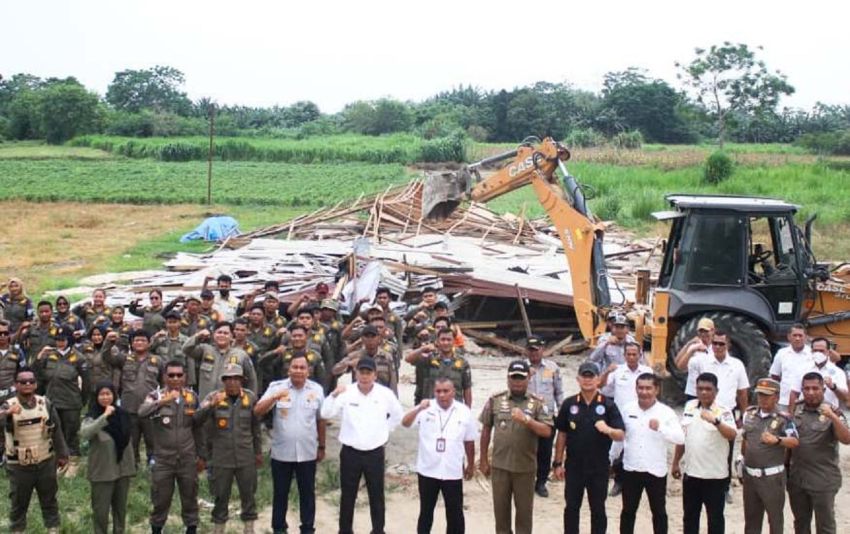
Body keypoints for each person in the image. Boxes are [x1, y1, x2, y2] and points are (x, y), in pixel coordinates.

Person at [321, 356, 403, 534]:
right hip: (351, 453)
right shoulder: (346, 392)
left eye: (369, 373)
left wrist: (385, 431)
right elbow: (326, 412)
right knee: (348, 496)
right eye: (361, 372)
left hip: (374, 453)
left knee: (377, 495)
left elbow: (398, 415)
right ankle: (345, 530)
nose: (365, 376)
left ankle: (378, 530)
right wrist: (334, 394)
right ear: (356, 373)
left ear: (375, 375)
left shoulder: (385, 394)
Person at [479, 360, 553, 534]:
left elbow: (547, 431)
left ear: (528, 379)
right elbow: (486, 429)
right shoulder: (495, 400)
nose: (517, 382)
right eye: (514, 378)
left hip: (525, 468)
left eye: (521, 378)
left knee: (524, 515)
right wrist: (483, 460)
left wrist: (527, 420)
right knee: (501, 514)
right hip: (500, 467)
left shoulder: (537, 403)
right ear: (507, 379)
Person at [255, 354, 326, 534]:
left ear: (308, 371)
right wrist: (274, 398)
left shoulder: (316, 390)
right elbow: (257, 411)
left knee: (307, 494)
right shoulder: (276, 387)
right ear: (289, 370)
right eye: (295, 367)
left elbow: (321, 420)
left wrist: (322, 446)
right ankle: (279, 528)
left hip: (307, 452)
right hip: (282, 453)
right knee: (280, 493)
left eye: (302, 368)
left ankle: (308, 528)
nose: (298, 371)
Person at [552, 362, 625, 534]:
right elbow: (562, 434)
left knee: (598, 509)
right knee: (571, 508)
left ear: (598, 379)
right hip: (574, 466)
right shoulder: (569, 404)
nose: (587, 380)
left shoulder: (608, 405)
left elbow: (621, 434)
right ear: (578, 379)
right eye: (584, 376)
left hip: (598, 466)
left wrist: (607, 429)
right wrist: (557, 463)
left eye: (591, 376)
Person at [402, 376, 477, 534]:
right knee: (426, 512)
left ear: (453, 392)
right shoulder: (426, 408)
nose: (442, 395)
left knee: (455, 514)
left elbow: (469, 441)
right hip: (428, 470)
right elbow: (405, 423)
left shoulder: (464, 411)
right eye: (438, 391)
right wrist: (418, 408)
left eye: (446, 391)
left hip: (452, 471)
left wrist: (470, 464)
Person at [0, 368, 68, 534]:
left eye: (31, 381)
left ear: (36, 384)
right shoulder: (7, 405)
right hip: (19, 465)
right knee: (19, 503)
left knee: (49, 499)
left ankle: (53, 528)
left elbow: (57, 429)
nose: (27, 384)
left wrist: (63, 454)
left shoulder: (44, 403)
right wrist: (7, 414)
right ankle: (17, 529)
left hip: (45, 461)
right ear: (16, 385)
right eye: (23, 382)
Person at [139, 360, 204, 534]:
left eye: (179, 375)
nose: (175, 378)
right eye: (171, 375)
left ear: (185, 377)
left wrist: (201, 455)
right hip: (163, 459)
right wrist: (162, 402)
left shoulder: (192, 397)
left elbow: (197, 427)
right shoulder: (156, 395)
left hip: (187, 458)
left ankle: (191, 529)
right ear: (164, 377)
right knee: (161, 499)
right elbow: (142, 412)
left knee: (190, 497)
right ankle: (157, 529)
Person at [197, 364, 261, 534]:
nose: (232, 382)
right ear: (223, 380)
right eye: (228, 379)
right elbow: (197, 420)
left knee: (248, 495)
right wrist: (211, 405)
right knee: (220, 496)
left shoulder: (250, 397)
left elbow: (256, 428)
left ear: (242, 380)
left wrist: (258, 452)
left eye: (236, 378)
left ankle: (249, 528)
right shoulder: (214, 397)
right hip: (221, 456)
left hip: (245, 455)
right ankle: (218, 529)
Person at [671, 372, 737, 534]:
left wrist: (715, 421)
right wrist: (675, 462)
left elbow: (732, 434)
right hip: (692, 474)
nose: (704, 392)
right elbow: (683, 437)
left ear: (716, 391)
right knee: (690, 518)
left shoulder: (723, 411)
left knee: (715, 519)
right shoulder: (690, 406)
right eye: (700, 389)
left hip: (715, 477)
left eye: (708, 389)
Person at [619, 372, 685, 534]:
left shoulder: (666, 412)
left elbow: (680, 438)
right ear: (636, 389)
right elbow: (619, 437)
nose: (644, 392)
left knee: (659, 512)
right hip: (631, 467)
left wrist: (661, 428)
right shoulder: (627, 409)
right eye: (640, 388)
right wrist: (611, 457)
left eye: (648, 388)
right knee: (628, 511)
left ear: (657, 390)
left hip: (655, 470)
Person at [788, 372, 850, 534]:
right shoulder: (796, 408)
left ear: (823, 389)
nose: (810, 392)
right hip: (797, 478)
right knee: (800, 523)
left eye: (815, 388)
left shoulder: (833, 410)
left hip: (823, 479)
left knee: (825, 525)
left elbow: (846, 439)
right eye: (806, 388)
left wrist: (833, 417)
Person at [740, 378, 799, 534]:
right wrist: (742, 459)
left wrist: (777, 440)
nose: (763, 399)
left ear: (777, 397)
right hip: (751, 476)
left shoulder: (783, 418)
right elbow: (745, 439)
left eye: (767, 395)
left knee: (775, 520)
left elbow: (794, 441)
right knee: (751, 521)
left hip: (772, 478)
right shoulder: (750, 414)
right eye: (760, 395)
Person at [80, 381, 137, 534]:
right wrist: (104, 416)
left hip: (122, 470)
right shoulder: (92, 415)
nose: (105, 397)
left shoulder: (123, 414)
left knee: (120, 511)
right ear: (96, 397)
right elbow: (85, 433)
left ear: (114, 395)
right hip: (102, 472)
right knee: (100, 512)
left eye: (108, 394)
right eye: (102, 394)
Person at [32, 325, 90, 467]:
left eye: (63, 339)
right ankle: (56, 461)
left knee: (71, 434)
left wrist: (81, 401)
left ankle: (73, 463)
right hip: (52, 401)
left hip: (71, 402)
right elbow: (36, 375)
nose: (60, 342)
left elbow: (87, 383)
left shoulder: (78, 357)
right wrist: (39, 357)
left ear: (69, 340)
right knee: (53, 433)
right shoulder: (49, 355)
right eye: (57, 339)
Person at [109, 329, 166, 466]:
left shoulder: (157, 361)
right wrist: (108, 343)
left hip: (150, 409)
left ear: (149, 343)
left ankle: (153, 466)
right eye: (136, 340)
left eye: (143, 340)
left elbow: (164, 383)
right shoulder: (124, 358)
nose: (139, 343)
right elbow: (107, 358)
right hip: (129, 408)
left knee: (152, 440)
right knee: (131, 440)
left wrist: (162, 403)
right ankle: (132, 466)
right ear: (131, 343)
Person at [525, 334, 563, 498]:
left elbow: (558, 391)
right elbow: (514, 388)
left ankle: (541, 482)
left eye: (537, 349)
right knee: (526, 449)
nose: (534, 353)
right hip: (526, 414)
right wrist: (528, 375)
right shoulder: (521, 367)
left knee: (545, 450)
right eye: (531, 350)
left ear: (543, 350)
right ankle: (526, 481)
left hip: (547, 416)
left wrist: (561, 411)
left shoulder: (552, 367)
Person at [183, 321, 257, 399]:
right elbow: (186, 349)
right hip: (206, 402)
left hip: (229, 404)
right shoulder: (205, 350)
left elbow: (251, 380)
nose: (222, 335)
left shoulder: (241, 355)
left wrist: (251, 400)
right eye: (219, 332)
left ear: (232, 336)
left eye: (225, 333)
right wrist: (198, 336)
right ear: (213, 335)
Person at [407, 328, 472, 407]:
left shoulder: (462, 362)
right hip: (432, 408)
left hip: (454, 409)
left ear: (454, 341)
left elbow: (467, 388)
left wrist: (467, 411)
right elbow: (408, 359)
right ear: (437, 341)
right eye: (443, 339)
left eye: (449, 340)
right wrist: (422, 349)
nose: (446, 342)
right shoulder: (429, 358)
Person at [788, 337, 849, 412]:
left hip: (828, 414)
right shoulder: (802, 369)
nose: (818, 353)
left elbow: (845, 397)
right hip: (804, 413)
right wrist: (790, 414)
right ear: (811, 351)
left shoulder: (838, 372)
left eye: (821, 351)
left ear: (828, 352)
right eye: (815, 350)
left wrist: (833, 387)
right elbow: (794, 392)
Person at [334, 324, 397, 394]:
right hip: (360, 396)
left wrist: (393, 398)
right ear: (362, 339)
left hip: (381, 397)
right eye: (367, 336)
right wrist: (349, 363)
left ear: (378, 338)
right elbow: (335, 370)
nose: (370, 340)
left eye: (373, 336)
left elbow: (393, 382)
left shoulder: (386, 357)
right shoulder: (355, 356)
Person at [769, 323, 812, 410]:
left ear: (806, 337)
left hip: (806, 401)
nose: (797, 338)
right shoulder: (782, 353)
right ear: (789, 337)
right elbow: (774, 375)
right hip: (784, 400)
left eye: (800, 335)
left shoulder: (812, 354)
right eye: (794, 335)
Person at [673, 317, 715, 400]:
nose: (703, 334)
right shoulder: (694, 347)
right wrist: (690, 347)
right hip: (693, 392)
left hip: (711, 391)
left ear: (713, 331)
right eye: (701, 331)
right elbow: (679, 366)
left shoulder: (717, 347)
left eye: (706, 331)